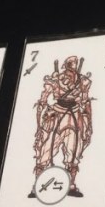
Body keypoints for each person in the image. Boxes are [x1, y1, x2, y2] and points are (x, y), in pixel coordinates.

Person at [30, 56, 92, 197]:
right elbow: (42, 102)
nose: (73, 69)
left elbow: (86, 102)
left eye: (75, 65)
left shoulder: (83, 81)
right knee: (46, 150)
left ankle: (71, 185)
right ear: (66, 66)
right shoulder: (55, 80)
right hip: (56, 115)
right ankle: (37, 185)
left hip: (75, 116)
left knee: (74, 152)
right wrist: (39, 126)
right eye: (71, 65)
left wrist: (89, 126)